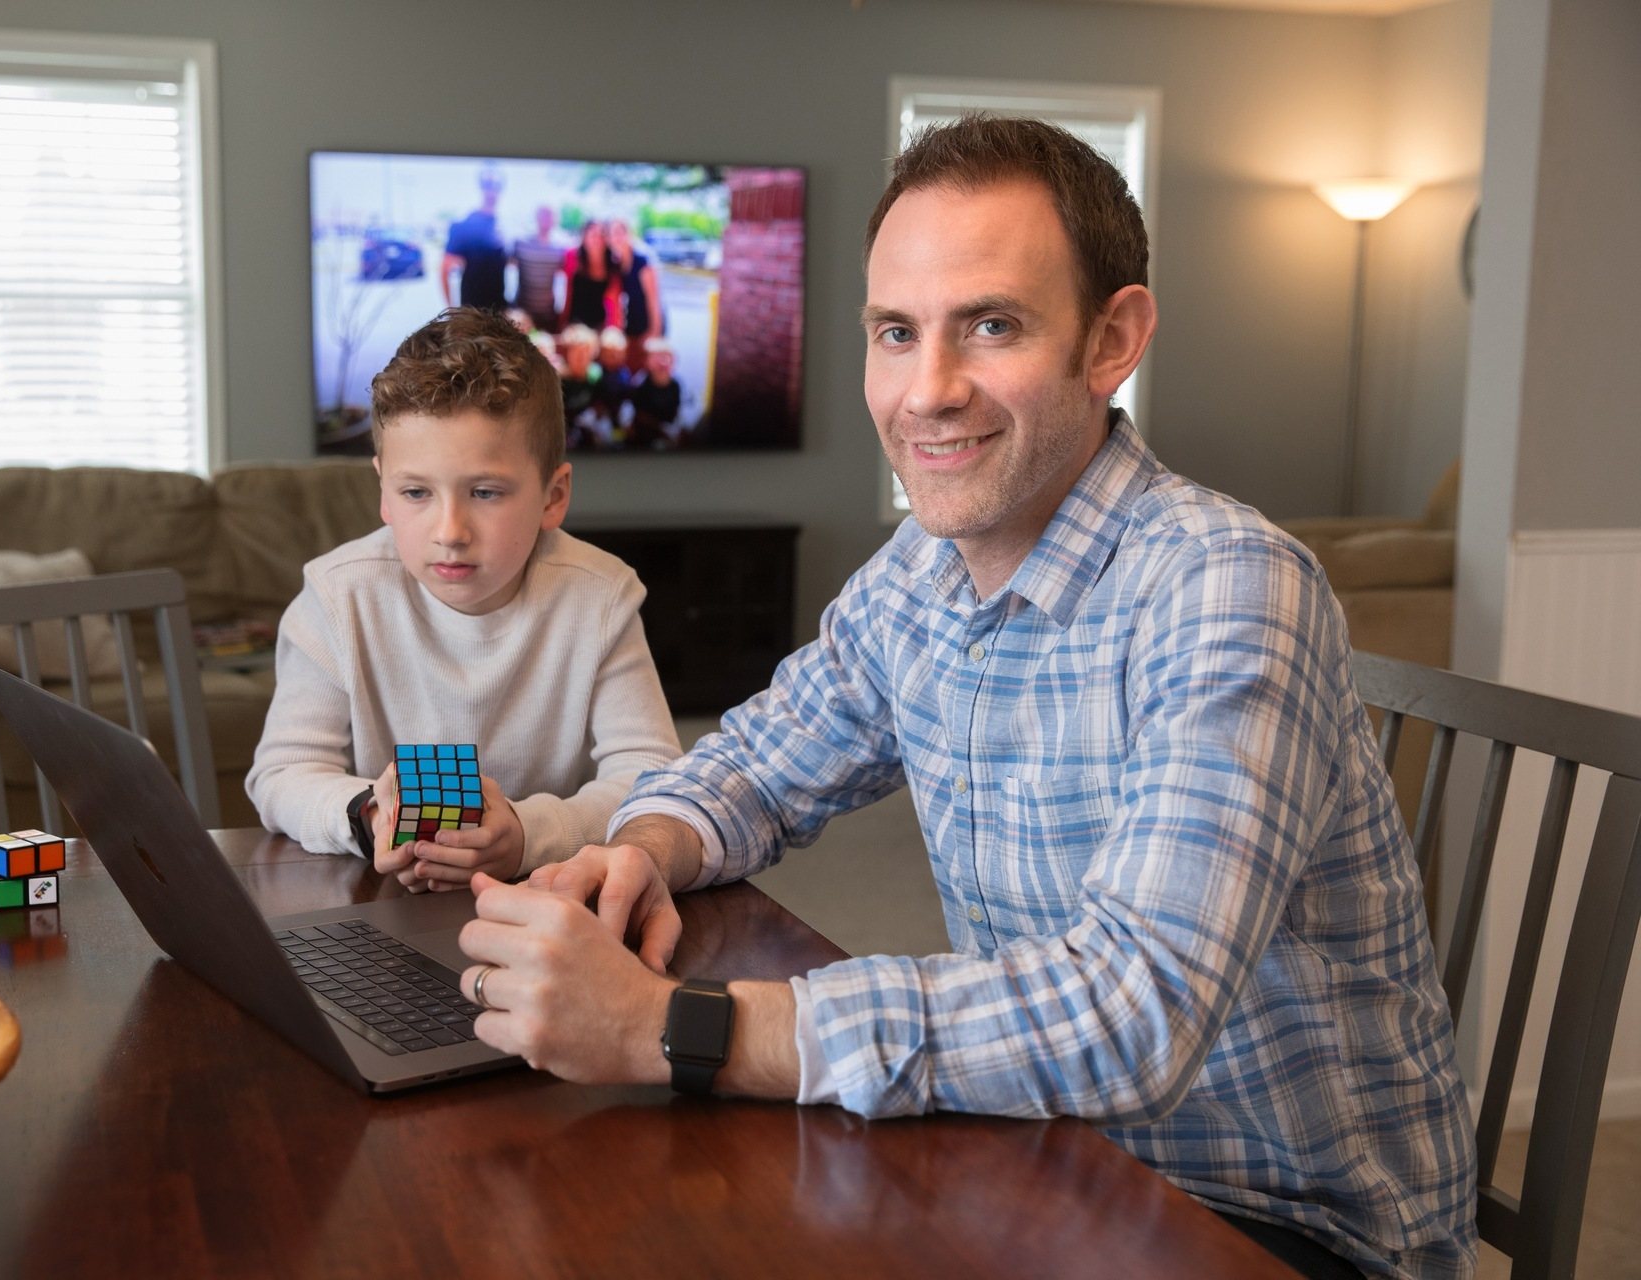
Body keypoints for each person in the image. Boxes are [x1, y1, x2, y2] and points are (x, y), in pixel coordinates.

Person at [450, 117, 1477, 1280]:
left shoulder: (1229, 586)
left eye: (990, 325)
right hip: (1055, 1152)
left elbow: (1129, 1015)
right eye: (897, 333)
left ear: (1113, 339)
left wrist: (671, 1026)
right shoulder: (922, 569)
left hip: (1281, 1221)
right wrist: (641, 848)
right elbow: (758, 756)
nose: (928, 391)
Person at [246, 307, 681, 888]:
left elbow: (654, 777)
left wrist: (528, 832)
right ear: (383, 491)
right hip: (382, 903)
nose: (450, 530)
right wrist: (370, 814)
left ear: (553, 496)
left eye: (484, 492)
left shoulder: (598, 599)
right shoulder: (338, 595)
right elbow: (282, 772)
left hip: (550, 902)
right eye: (416, 492)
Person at [441, 166, 509, 312]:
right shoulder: (464, 225)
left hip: (499, 313)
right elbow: (444, 269)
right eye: (487, 185)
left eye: (496, 186)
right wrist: (452, 311)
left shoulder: (502, 227)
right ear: (481, 187)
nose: (492, 191)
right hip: (472, 313)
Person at [606, 218, 664, 362]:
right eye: (613, 233)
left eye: (621, 232)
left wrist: (653, 332)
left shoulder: (643, 261)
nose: (617, 237)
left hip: (649, 324)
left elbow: (654, 300)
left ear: (629, 234)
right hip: (632, 323)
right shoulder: (617, 262)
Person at [512, 205, 566, 332]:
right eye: (543, 215)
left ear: (555, 220)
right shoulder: (521, 244)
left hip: (548, 314)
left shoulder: (560, 249)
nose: (546, 219)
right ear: (536, 217)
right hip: (522, 314)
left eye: (550, 216)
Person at [562, 220, 618, 331]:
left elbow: (614, 302)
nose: (597, 239)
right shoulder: (572, 257)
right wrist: (562, 323)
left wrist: (613, 329)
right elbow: (567, 293)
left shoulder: (612, 263)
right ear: (584, 237)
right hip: (575, 324)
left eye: (601, 235)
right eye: (593, 235)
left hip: (600, 325)